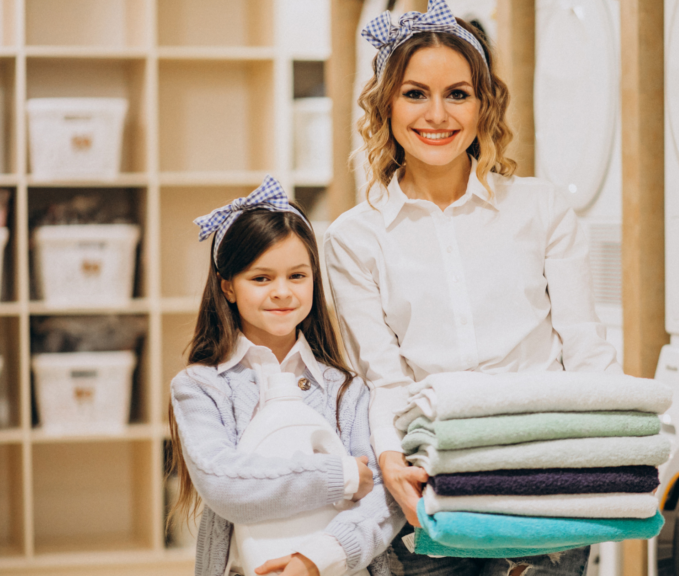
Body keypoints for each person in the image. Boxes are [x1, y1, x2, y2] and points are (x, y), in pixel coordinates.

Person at [324, 1, 622, 574]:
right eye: (415, 93)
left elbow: (586, 347)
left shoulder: (542, 209)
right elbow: (383, 376)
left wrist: (615, 463)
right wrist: (390, 462)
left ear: (485, 105)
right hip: (432, 485)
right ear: (385, 103)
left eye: (457, 94)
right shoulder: (354, 238)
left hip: (547, 482)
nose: (437, 114)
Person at [167, 178, 404, 576]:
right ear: (228, 287)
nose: (282, 292)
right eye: (261, 279)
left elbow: (385, 495)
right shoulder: (200, 387)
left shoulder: (347, 389)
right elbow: (223, 484)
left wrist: (316, 560)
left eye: (297, 276)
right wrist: (340, 475)